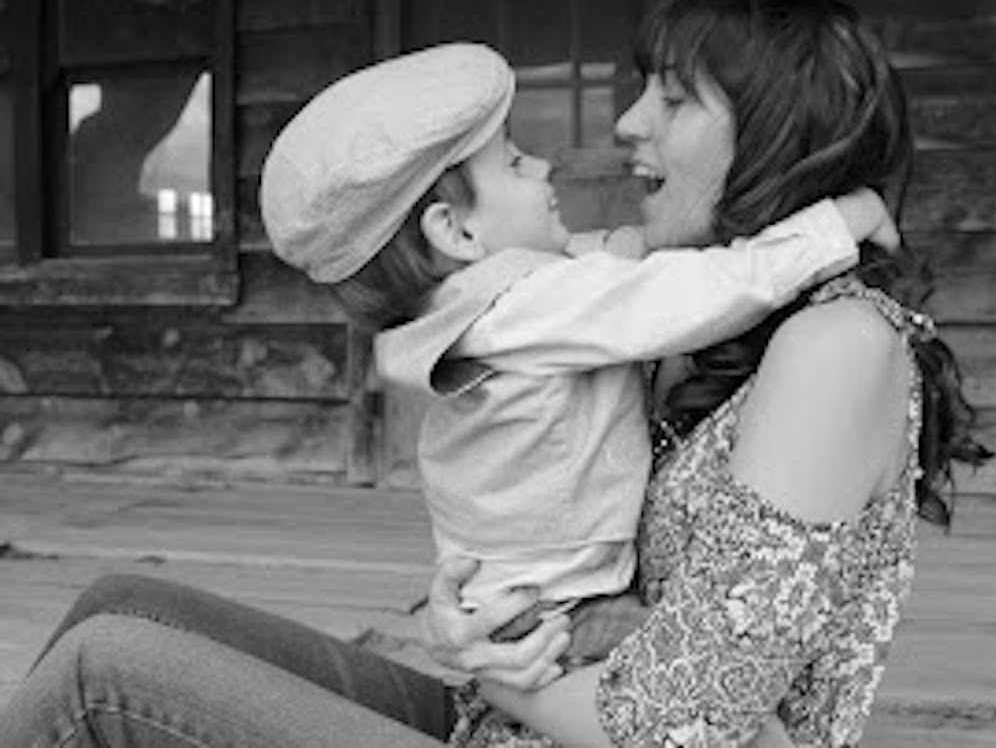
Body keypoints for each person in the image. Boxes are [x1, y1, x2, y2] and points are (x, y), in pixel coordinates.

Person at [0, 0, 981, 748]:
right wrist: (464, 624)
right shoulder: (690, 320)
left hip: (553, 720)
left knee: (103, 676)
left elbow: (680, 725)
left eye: (670, 99)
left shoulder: (836, 342)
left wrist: (497, 665)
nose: (625, 123)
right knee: (124, 604)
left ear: (774, 134)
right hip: (514, 711)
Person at [259, 40, 899, 668]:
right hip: (564, 607)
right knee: (699, 669)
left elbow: (608, 259)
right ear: (456, 231)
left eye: (673, 100)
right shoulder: (524, 307)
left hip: (510, 596)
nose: (541, 168)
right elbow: (696, 292)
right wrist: (840, 222)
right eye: (513, 165)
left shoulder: (473, 307)